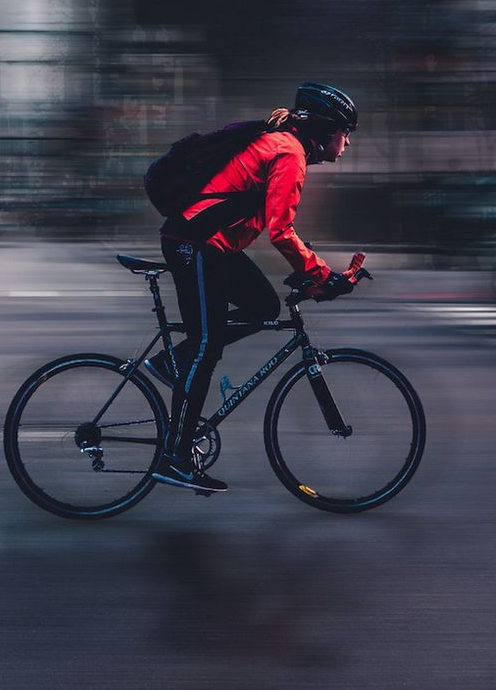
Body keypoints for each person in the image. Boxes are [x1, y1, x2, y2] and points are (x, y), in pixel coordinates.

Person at [148, 81, 359, 493]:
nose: (347, 142)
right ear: (326, 130)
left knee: (263, 306)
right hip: (195, 242)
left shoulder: (285, 146)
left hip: (212, 243)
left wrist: (313, 270)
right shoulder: (289, 152)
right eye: (345, 132)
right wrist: (320, 274)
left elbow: (276, 223)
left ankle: (175, 362)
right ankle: (175, 456)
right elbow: (281, 231)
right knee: (206, 348)